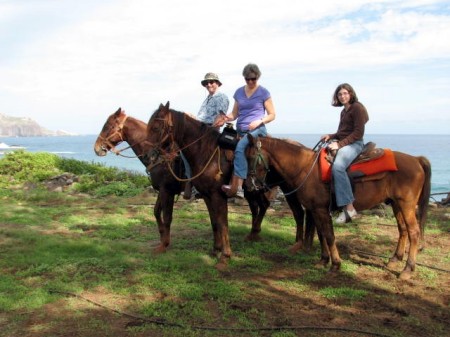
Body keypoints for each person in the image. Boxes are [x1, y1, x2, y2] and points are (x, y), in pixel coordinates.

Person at [214, 63, 276, 198]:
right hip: (240, 129)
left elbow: (272, 115)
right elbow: (234, 114)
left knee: (240, 147)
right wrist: (225, 118)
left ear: (257, 77)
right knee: (223, 144)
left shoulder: (263, 92)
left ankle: (239, 187)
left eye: (253, 78)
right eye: (247, 79)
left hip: (257, 130)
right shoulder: (239, 92)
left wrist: (259, 121)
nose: (250, 81)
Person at [320, 83, 369, 224]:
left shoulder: (357, 108)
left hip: (355, 144)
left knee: (338, 167)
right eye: (340, 94)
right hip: (346, 142)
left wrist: (339, 144)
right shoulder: (344, 111)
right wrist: (331, 135)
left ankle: (349, 207)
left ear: (351, 94)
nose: (342, 96)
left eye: (345, 93)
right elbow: (343, 132)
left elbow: (358, 133)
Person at [182, 72, 229, 199]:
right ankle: (189, 180)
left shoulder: (221, 97)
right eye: (207, 83)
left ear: (218, 83)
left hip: (209, 132)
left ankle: (191, 182)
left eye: (212, 82)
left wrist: (209, 130)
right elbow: (202, 117)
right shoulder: (208, 98)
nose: (209, 84)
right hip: (202, 129)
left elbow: (220, 118)